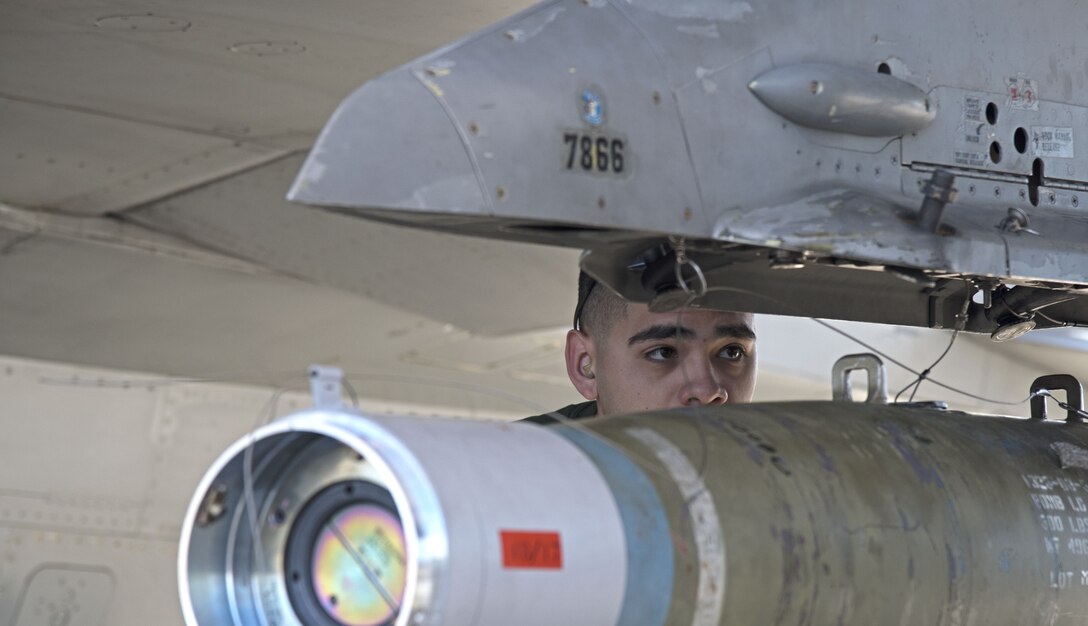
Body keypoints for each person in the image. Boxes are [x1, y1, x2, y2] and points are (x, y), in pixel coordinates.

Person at [525, 271, 756, 423]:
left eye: (732, 351)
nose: (708, 392)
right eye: (663, 353)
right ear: (584, 366)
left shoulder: (781, 477)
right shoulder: (509, 474)